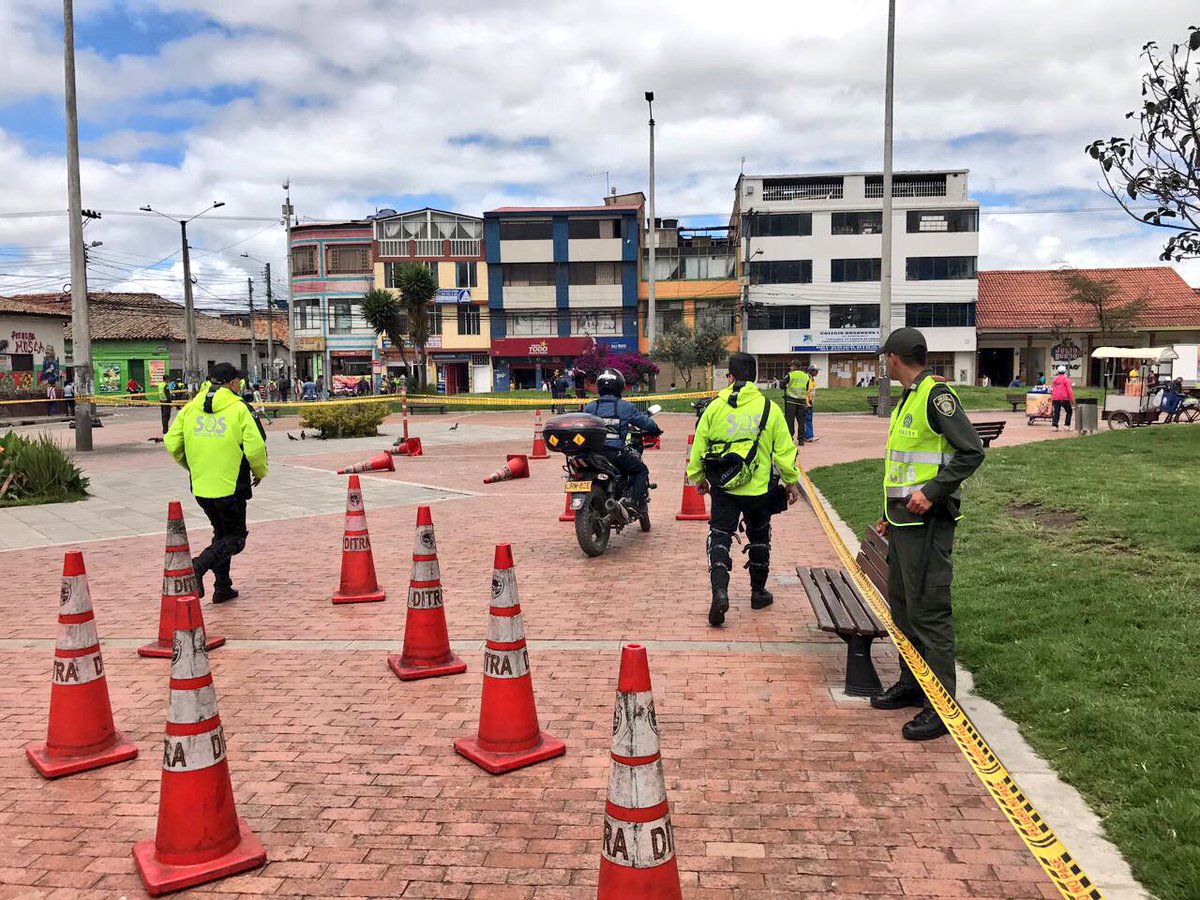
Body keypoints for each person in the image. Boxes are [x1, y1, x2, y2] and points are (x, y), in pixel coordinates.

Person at [870, 328, 984, 741]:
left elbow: (971, 451)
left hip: (929, 525)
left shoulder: (936, 396)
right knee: (903, 610)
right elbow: (904, 467)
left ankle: (942, 706)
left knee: (929, 612)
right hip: (903, 524)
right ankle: (913, 682)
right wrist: (888, 513)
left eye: (886, 358)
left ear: (895, 359)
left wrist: (934, 492)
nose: (885, 364)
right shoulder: (910, 397)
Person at [688, 353, 802, 627]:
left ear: (730, 376)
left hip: (724, 487)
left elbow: (699, 447)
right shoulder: (768, 408)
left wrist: (698, 478)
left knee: (719, 536)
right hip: (759, 489)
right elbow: (785, 450)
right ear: (755, 376)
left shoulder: (714, 408)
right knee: (760, 537)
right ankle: (758, 593)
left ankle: (719, 591)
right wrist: (791, 480)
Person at [164, 364, 267, 604]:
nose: (240, 386)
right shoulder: (240, 409)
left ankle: (223, 587)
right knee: (235, 538)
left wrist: (192, 467)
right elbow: (256, 446)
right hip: (232, 485)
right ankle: (197, 567)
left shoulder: (190, 408)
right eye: (238, 382)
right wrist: (259, 472)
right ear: (231, 384)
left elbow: (172, 443)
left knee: (221, 534)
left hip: (201, 485)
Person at [582, 369, 662, 523]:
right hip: (614, 453)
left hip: (592, 455)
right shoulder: (625, 407)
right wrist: (655, 428)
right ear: (620, 386)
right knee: (641, 470)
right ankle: (634, 503)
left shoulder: (590, 407)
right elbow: (646, 423)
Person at [782, 359, 811, 446]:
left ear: (794, 366)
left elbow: (781, 385)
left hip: (791, 400)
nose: (790, 367)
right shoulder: (806, 376)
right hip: (801, 401)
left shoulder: (790, 375)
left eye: (791, 365)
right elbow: (806, 388)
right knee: (801, 421)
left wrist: (787, 386)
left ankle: (790, 438)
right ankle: (801, 440)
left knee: (790, 420)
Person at [1050, 365, 1074, 431]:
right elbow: (1069, 390)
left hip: (1055, 398)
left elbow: (1052, 389)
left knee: (1056, 412)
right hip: (1064, 398)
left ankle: (1054, 426)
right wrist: (1072, 399)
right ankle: (1066, 425)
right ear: (1065, 371)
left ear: (1057, 371)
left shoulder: (1054, 380)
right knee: (1069, 411)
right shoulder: (1066, 379)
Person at [804, 365, 819, 443]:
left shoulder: (811, 379)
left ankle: (805, 435)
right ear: (811, 371)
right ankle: (808, 436)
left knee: (807, 419)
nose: (817, 372)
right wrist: (807, 403)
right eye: (815, 371)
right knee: (808, 419)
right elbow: (806, 392)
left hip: (810, 401)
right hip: (807, 401)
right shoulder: (808, 379)